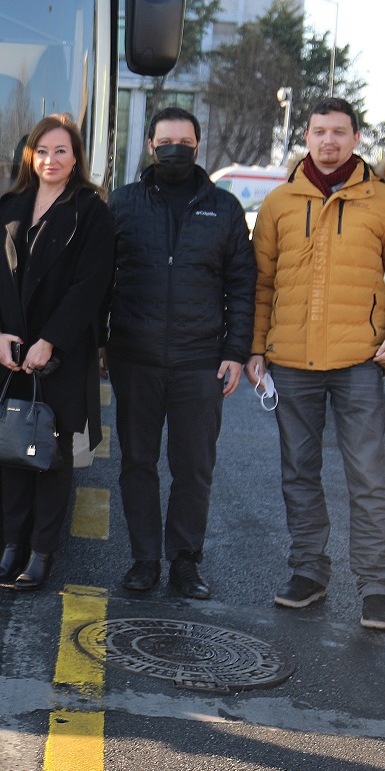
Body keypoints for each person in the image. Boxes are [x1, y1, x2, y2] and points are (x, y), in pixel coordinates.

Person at [246, 97, 385, 630]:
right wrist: (255, 348)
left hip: (360, 362)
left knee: (367, 476)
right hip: (292, 363)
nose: (329, 141)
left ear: (355, 138)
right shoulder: (279, 203)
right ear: (305, 136)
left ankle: (375, 587)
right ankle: (308, 572)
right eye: (320, 131)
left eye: (340, 133)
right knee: (299, 474)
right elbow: (260, 285)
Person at [106, 106, 255, 598]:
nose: (176, 149)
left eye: (185, 142)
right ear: (150, 146)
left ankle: (185, 561)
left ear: (198, 146)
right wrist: (102, 344)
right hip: (135, 356)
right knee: (137, 463)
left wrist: (236, 351)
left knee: (194, 468)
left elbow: (242, 284)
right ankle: (144, 559)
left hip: (200, 361)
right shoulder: (122, 204)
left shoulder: (225, 208)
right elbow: (101, 280)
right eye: (166, 141)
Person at [0, 114, 113, 592]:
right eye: (42, 150)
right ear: (30, 155)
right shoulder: (10, 205)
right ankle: (11, 547)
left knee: (50, 456)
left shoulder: (91, 210)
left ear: (76, 160)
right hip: (9, 351)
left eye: (61, 151)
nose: (50, 160)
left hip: (58, 354)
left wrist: (50, 339)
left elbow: (90, 286)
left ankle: (40, 553)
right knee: (12, 449)